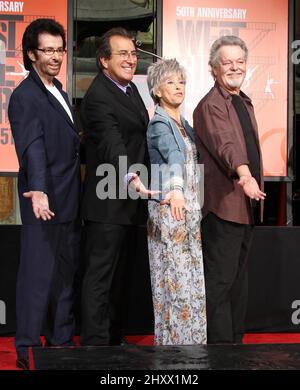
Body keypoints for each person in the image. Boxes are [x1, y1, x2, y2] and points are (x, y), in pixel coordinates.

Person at [8, 19, 81, 369]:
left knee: (64, 277)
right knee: (37, 278)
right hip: (44, 202)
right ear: (32, 53)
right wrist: (37, 189)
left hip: (67, 200)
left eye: (59, 50)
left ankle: (60, 341)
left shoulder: (59, 91)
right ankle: (25, 349)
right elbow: (32, 146)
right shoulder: (25, 96)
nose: (55, 57)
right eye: (48, 50)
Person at [80, 27, 155, 346]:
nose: (130, 59)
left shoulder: (131, 90)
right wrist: (131, 175)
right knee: (100, 279)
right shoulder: (98, 96)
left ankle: (113, 338)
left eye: (133, 54)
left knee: (121, 278)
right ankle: (95, 347)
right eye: (122, 54)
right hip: (107, 202)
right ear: (103, 61)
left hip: (129, 201)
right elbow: (112, 144)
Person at [193, 35, 266, 344]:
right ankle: (220, 352)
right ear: (213, 68)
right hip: (223, 207)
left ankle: (236, 346)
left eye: (240, 61)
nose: (235, 67)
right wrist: (246, 177)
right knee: (220, 284)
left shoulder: (243, 101)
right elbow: (227, 145)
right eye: (227, 62)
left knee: (238, 283)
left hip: (245, 207)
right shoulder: (211, 105)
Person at [146, 59, 207, 345]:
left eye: (181, 81)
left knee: (191, 278)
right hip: (172, 205)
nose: (178, 86)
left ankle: (193, 344)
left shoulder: (183, 123)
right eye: (170, 82)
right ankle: (174, 347)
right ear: (157, 90)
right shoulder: (160, 123)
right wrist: (178, 190)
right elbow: (173, 158)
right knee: (175, 279)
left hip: (189, 209)